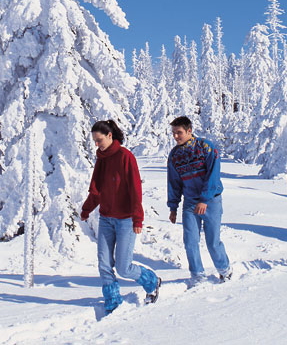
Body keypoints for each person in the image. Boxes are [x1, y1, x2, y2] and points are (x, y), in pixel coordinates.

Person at [80, 119, 160, 314]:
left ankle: (152, 281)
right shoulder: (101, 159)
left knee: (124, 267)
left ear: (110, 136)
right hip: (106, 219)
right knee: (104, 264)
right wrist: (86, 209)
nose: (96, 144)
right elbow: (97, 191)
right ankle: (112, 301)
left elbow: (135, 189)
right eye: (94, 141)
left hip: (125, 220)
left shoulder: (126, 157)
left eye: (99, 140)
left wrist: (137, 218)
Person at [166, 116, 232, 285]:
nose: (175, 136)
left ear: (189, 131)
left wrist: (204, 199)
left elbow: (213, 175)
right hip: (190, 202)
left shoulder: (206, 147)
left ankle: (224, 269)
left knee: (212, 242)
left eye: (179, 133)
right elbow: (174, 182)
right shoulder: (174, 155)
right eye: (173, 133)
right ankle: (197, 275)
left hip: (211, 201)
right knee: (190, 241)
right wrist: (173, 207)